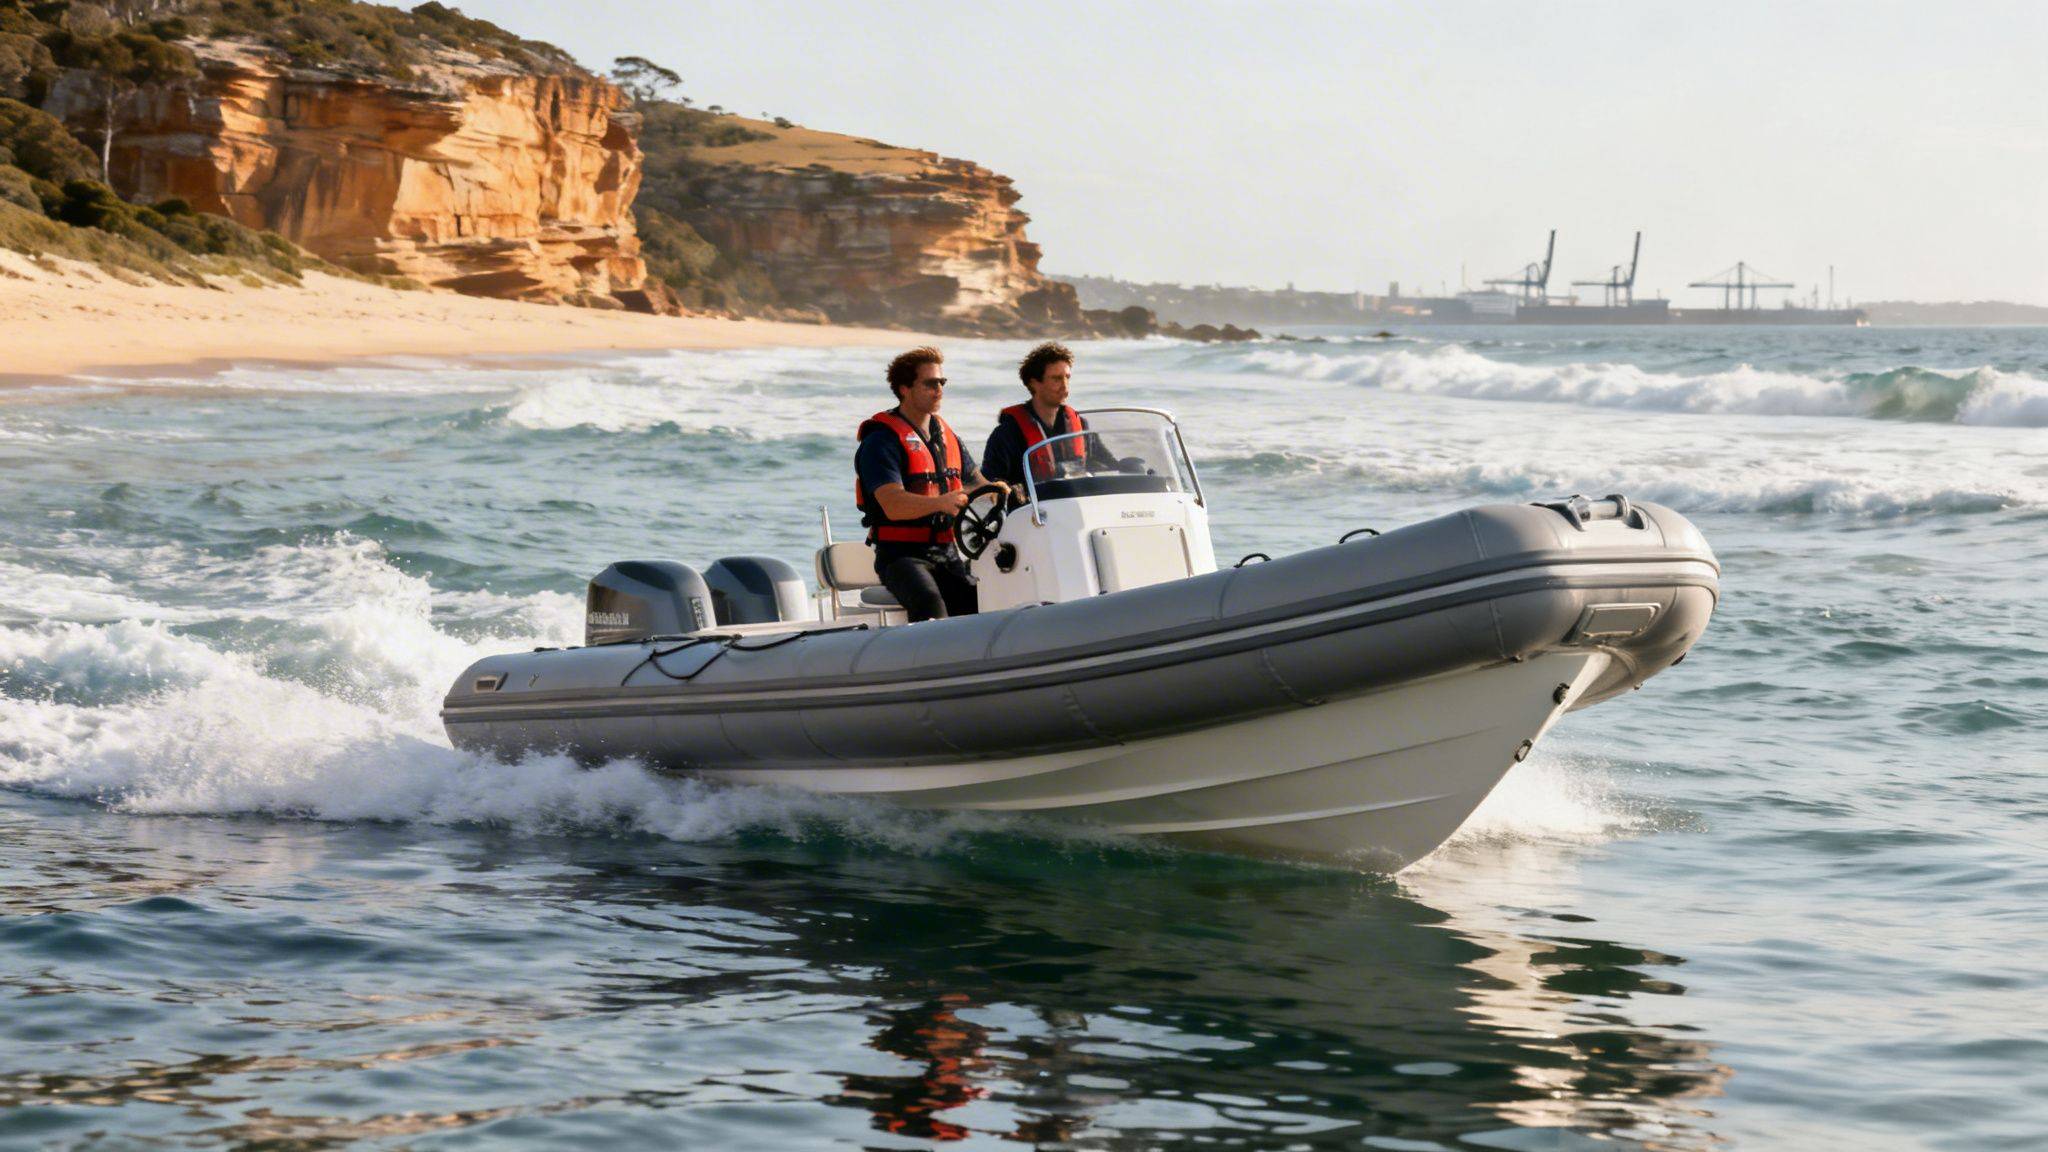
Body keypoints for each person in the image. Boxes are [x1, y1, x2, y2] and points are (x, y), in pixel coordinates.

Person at [854, 347, 1007, 622]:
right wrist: (940, 503)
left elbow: (975, 485)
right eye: (930, 383)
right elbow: (893, 504)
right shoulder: (881, 442)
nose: (939, 389)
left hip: (946, 553)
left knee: (980, 601)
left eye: (941, 383)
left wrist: (998, 492)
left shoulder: (947, 437)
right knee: (929, 602)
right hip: (901, 557)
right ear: (904, 389)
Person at [981, 341, 1117, 489]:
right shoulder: (1007, 434)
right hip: (1032, 509)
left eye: (1067, 377)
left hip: (1078, 506)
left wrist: (1128, 467)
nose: (1065, 386)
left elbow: (1109, 465)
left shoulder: (1081, 425)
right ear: (1034, 383)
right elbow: (989, 484)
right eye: (1056, 379)